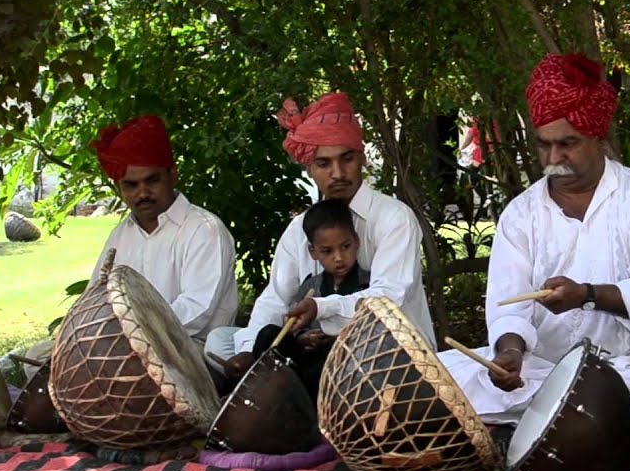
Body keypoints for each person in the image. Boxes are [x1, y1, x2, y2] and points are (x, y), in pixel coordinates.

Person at [440, 53, 630, 436]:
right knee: (442, 380)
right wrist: (510, 354)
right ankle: (564, 418)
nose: (554, 159)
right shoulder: (521, 215)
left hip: (628, 371)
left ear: (598, 137)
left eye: (568, 144)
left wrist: (586, 295)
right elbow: (507, 307)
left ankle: (554, 421)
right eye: (544, 145)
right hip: (541, 371)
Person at [204, 92, 434, 382]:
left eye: (346, 159)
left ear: (361, 158)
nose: (337, 173)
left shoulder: (394, 218)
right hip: (312, 351)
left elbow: (386, 303)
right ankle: (274, 380)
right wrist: (251, 349)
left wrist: (321, 308)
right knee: (221, 341)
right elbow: (276, 300)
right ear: (310, 169)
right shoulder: (299, 229)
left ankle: (283, 389)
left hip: (387, 351)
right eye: (324, 164)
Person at [89, 114, 239, 344]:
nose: (142, 193)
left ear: (172, 175)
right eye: (131, 185)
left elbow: (197, 310)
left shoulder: (204, 229)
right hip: (128, 344)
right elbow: (95, 298)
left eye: (152, 180)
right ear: (119, 188)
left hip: (190, 352)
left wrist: (130, 332)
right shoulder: (120, 236)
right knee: (41, 356)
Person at [249, 197, 370, 399]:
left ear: (356, 242)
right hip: (306, 359)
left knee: (320, 369)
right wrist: (302, 338)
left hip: (344, 365)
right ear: (313, 252)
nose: (338, 257)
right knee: (268, 334)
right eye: (327, 251)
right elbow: (295, 327)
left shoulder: (367, 285)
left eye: (345, 247)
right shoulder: (310, 286)